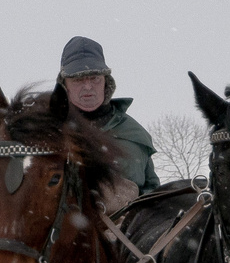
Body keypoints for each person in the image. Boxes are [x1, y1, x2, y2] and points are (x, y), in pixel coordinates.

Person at [56, 36, 159, 194]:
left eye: (95, 78)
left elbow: (153, 196)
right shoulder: (48, 132)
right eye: (78, 80)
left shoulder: (134, 134)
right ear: (64, 86)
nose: (88, 86)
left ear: (106, 83)